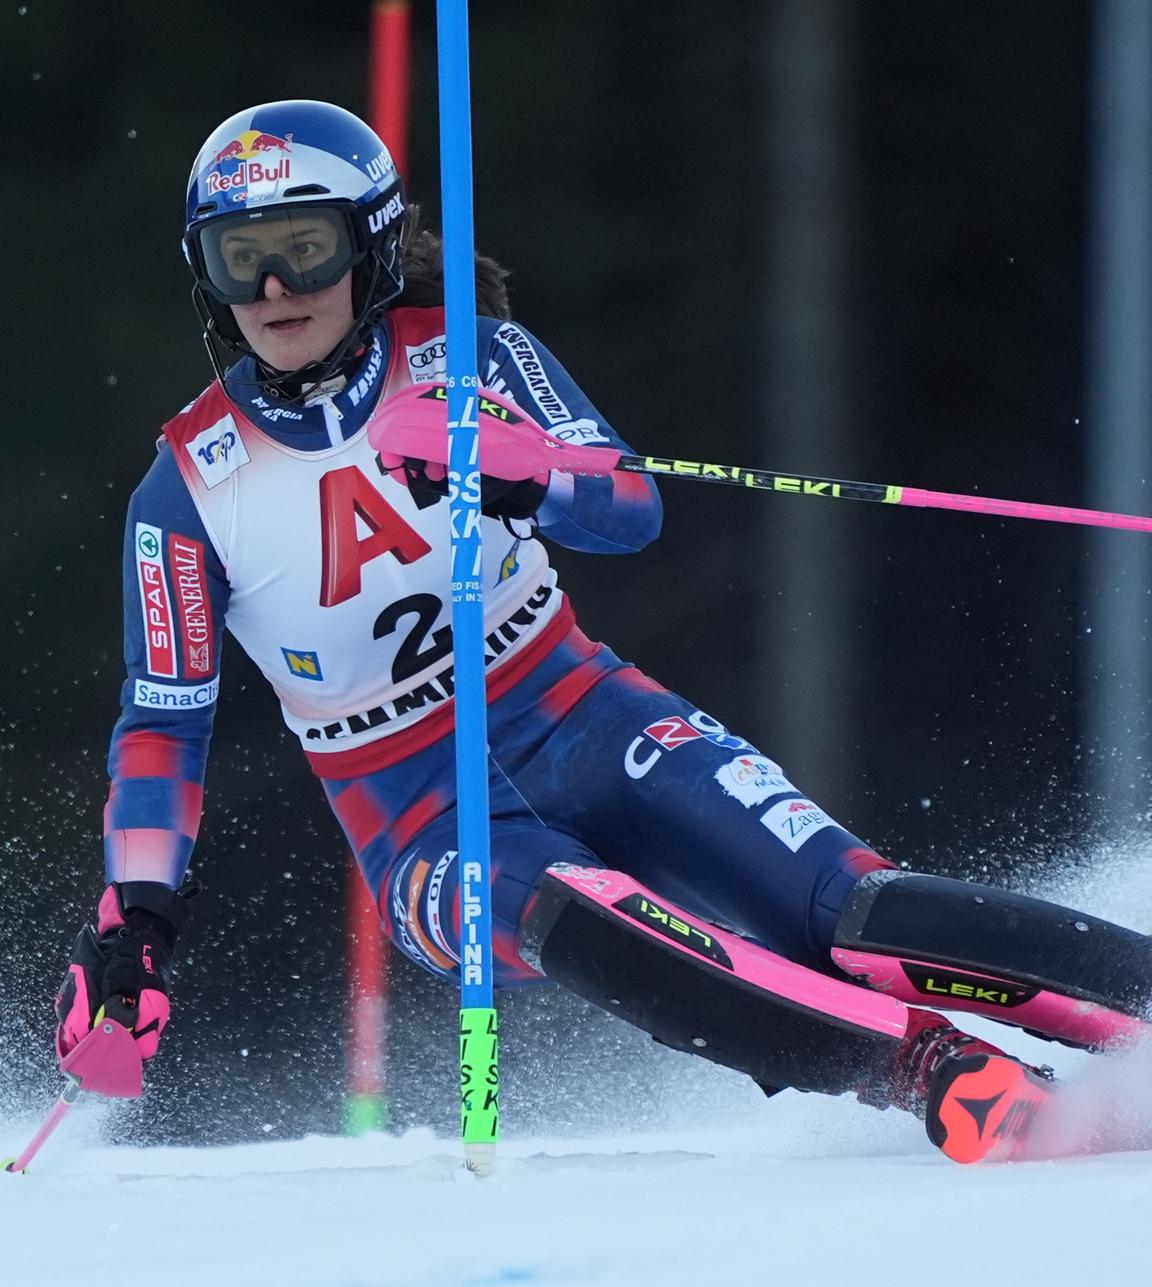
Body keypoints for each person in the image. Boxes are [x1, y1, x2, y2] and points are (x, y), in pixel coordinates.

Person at [55, 100, 1152, 1164]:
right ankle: (930, 1072)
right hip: (419, 819)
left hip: (584, 711)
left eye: (305, 244)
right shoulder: (188, 486)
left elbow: (630, 508)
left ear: (372, 244)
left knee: (846, 910)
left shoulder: (474, 356)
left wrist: (526, 476)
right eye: (240, 258)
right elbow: (162, 728)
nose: (278, 287)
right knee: (582, 911)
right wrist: (137, 921)